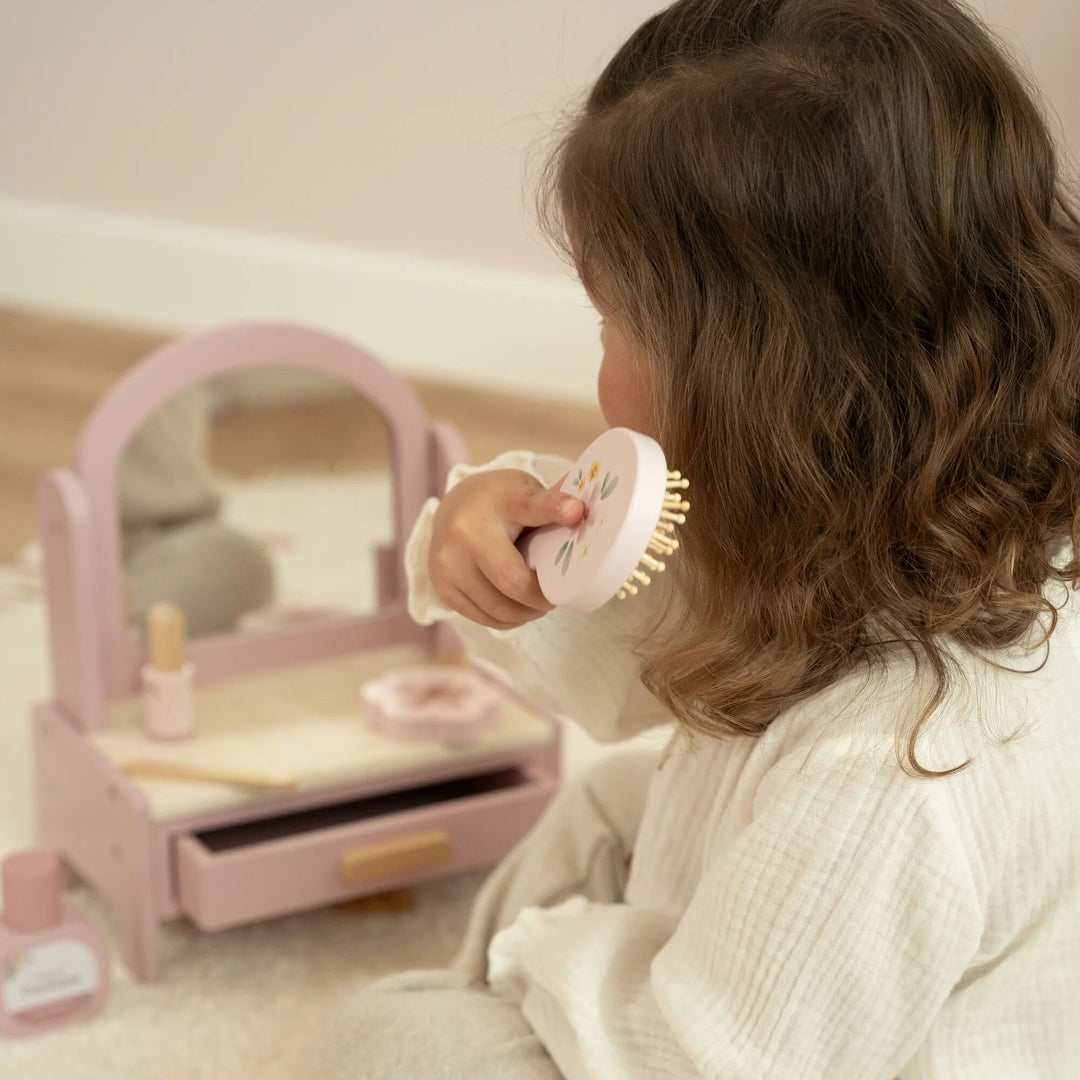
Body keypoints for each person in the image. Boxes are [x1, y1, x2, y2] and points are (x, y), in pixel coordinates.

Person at [317, 1, 1080, 1076]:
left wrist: (553, 957)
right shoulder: (904, 495)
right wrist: (503, 540)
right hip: (790, 946)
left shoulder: (892, 775)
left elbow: (711, 1060)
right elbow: (663, 630)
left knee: (385, 1041)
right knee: (597, 810)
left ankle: (479, 1008)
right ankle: (481, 996)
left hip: (755, 1047)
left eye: (609, 323)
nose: (598, 363)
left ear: (744, 384)